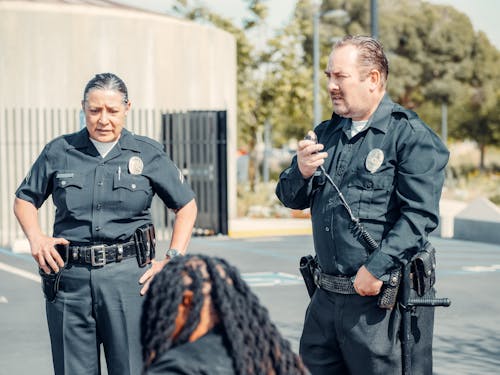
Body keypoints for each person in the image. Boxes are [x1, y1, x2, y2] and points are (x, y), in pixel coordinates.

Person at [276, 35, 449, 374]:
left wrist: (377, 268)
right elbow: (289, 197)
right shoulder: (326, 133)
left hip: (378, 307)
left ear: (372, 79)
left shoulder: (409, 135)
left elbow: (420, 215)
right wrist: (300, 170)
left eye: (340, 76)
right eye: (328, 76)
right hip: (325, 302)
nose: (331, 85)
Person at [13, 72, 198, 375]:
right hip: (69, 282)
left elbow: (186, 206)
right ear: (83, 107)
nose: (103, 119)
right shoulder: (59, 151)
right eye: (94, 110)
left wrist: (171, 259)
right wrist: (36, 238)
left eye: (112, 111)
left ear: (127, 108)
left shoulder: (147, 153)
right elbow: (24, 199)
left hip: (129, 282)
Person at [141, 254, 308, 375]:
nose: (159, 320)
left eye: (163, 306)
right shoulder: (268, 355)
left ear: (187, 301)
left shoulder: (177, 367)